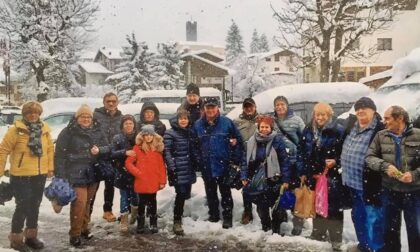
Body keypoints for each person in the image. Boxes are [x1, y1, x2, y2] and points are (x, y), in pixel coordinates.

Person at [0, 101, 54, 251]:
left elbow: (50, 150)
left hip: (40, 174)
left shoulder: (45, 130)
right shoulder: (16, 130)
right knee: (22, 206)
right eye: (29, 113)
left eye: (36, 113)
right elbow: (3, 150)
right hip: (20, 175)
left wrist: (50, 168)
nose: (33, 115)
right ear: (24, 114)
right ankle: (16, 239)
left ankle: (31, 236)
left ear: (39, 114)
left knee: (34, 205)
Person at [366, 105, 420, 252]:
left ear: (400, 118)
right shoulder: (380, 135)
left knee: (416, 231)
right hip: (389, 191)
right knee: (389, 231)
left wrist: (414, 174)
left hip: (414, 193)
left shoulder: (418, 135)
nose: (384, 121)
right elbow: (369, 158)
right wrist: (385, 166)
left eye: (387, 118)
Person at [55, 104, 110, 247]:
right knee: (79, 203)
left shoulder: (98, 131)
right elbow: (60, 155)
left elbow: (107, 148)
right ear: (77, 118)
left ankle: (85, 228)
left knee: (87, 203)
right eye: (82, 116)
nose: (86, 119)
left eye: (88, 117)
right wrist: (60, 174)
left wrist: (100, 150)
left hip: (93, 172)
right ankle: (75, 234)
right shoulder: (68, 132)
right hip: (75, 172)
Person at [191, 97, 245, 229]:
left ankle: (227, 217)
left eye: (213, 107)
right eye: (208, 107)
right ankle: (214, 215)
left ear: (217, 108)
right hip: (207, 166)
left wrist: (234, 160)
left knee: (225, 192)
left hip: (224, 165)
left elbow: (238, 141)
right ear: (204, 109)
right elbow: (193, 145)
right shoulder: (197, 125)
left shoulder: (227, 123)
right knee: (210, 192)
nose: (210, 110)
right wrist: (199, 160)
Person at [300, 102, 346, 251]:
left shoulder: (338, 130)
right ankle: (318, 235)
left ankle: (336, 238)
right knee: (317, 205)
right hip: (314, 175)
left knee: (333, 207)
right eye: (317, 114)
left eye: (323, 115)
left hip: (331, 176)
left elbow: (345, 153)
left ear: (329, 115)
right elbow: (301, 152)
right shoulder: (308, 130)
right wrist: (302, 172)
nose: (320, 117)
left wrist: (336, 162)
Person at [341, 97, 385, 252]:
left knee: (373, 220)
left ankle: (375, 248)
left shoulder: (380, 130)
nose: (360, 110)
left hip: (369, 185)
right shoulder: (352, 126)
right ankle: (364, 245)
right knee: (358, 216)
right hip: (352, 183)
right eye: (358, 108)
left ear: (373, 110)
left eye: (364, 107)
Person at [241, 115, 291, 233]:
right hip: (258, 179)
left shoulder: (277, 141)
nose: (264, 129)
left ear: (271, 128)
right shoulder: (252, 141)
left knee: (276, 207)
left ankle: (276, 229)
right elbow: (244, 161)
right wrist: (244, 176)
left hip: (274, 179)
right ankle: (266, 226)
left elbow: (284, 161)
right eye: (262, 127)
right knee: (261, 208)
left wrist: (286, 180)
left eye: (267, 127)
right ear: (258, 127)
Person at [272, 95, 306, 235]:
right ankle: (279, 222)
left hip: (294, 164)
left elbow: (305, 140)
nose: (280, 107)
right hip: (278, 164)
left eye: (282, 104)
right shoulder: (272, 121)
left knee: (296, 193)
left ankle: (298, 223)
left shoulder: (296, 120)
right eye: (277, 105)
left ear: (287, 106)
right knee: (279, 194)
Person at [125, 125, 166, 234]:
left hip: (153, 181)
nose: (148, 137)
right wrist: (138, 173)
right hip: (141, 182)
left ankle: (153, 224)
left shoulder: (157, 149)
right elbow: (128, 163)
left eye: (150, 135)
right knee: (141, 204)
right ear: (142, 136)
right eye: (146, 135)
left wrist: (162, 181)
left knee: (153, 202)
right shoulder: (137, 149)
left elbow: (161, 167)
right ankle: (141, 224)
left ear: (153, 136)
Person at [163, 110, 196, 235]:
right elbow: (167, 151)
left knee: (185, 193)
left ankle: (182, 214)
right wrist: (172, 167)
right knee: (181, 194)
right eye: (181, 118)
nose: (183, 120)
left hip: (188, 168)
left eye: (185, 118)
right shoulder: (170, 133)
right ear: (176, 120)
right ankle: (177, 221)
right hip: (177, 169)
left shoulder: (190, 132)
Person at [92, 92, 123, 222]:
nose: (111, 103)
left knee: (110, 185)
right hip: (97, 155)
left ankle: (107, 210)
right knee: (93, 185)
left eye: (113, 101)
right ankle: (87, 212)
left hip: (112, 156)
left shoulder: (121, 117)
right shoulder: (96, 115)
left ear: (117, 102)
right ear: (103, 102)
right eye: (108, 101)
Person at [110, 114, 138, 232]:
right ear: (122, 125)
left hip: (136, 172)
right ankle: (124, 220)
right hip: (122, 172)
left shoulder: (139, 137)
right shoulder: (117, 138)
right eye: (126, 123)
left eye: (130, 123)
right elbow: (112, 153)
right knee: (124, 197)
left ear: (134, 125)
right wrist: (125, 152)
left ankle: (135, 216)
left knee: (135, 196)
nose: (128, 125)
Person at [233, 97, 258, 225]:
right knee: (246, 185)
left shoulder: (261, 120)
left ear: (255, 107)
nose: (249, 109)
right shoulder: (237, 122)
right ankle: (247, 211)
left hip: (259, 157)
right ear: (243, 108)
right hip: (244, 158)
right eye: (246, 107)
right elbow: (231, 137)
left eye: (251, 107)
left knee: (260, 184)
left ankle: (261, 211)